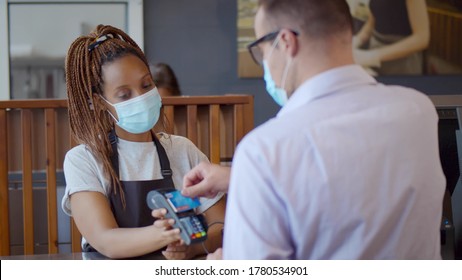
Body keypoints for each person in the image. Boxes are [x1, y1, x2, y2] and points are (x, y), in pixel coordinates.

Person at [182, 0, 445, 259]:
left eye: (262, 50)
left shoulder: (264, 151)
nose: (265, 62)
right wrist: (240, 177)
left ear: (286, 42)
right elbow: (357, 175)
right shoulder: (418, 111)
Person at [61, 24, 225, 259]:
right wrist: (170, 233)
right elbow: (106, 241)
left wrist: (189, 249)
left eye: (147, 85)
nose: (141, 97)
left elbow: (219, 226)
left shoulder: (183, 150)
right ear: (99, 103)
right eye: (124, 94)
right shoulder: (83, 160)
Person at [351, 0, 430, 75]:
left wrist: (372, 56)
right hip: (376, 54)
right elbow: (371, 24)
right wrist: (356, 41)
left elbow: (421, 38)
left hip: (401, 62)